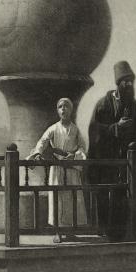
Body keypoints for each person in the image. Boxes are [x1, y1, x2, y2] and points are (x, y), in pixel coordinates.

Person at [87, 61, 136, 241]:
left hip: (124, 161)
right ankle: (104, 230)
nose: (130, 86)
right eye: (126, 82)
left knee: (120, 196)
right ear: (119, 84)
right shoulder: (102, 105)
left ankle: (119, 234)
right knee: (103, 195)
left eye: (132, 82)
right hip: (105, 160)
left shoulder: (134, 106)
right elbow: (94, 130)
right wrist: (115, 128)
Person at [29, 98, 87, 243]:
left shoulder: (75, 129)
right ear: (57, 110)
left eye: (66, 107)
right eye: (60, 107)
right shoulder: (53, 128)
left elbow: (82, 147)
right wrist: (37, 153)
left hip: (71, 168)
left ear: (71, 110)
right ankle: (58, 232)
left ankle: (70, 231)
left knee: (72, 199)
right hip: (57, 168)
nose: (63, 110)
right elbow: (42, 142)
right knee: (57, 199)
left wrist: (74, 155)